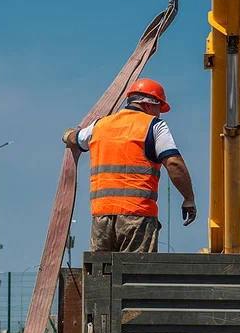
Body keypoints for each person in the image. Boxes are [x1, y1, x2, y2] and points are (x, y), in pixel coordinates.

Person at [63, 78, 197, 252]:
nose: (160, 114)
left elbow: (75, 138)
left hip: (102, 217)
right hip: (137, 217)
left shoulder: (100, 126)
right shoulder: (154, 126)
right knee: (135, 276)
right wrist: (189, 199)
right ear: (149, 104)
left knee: (101, 275)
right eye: (159, 108)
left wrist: (67, 135)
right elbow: (173, 163)